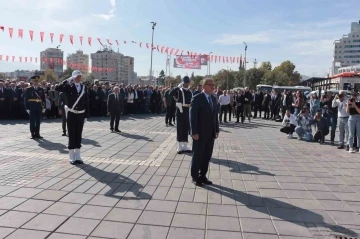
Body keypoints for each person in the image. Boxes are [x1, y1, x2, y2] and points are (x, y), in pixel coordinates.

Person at [55, 70, 89, 165]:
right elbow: (57, 88)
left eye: (80, 76)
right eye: (77, 76)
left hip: (81, 114)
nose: (79, 78)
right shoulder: (68, 87)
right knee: (71, 133)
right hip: (71, 113)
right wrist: (68, 79)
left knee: (79, 134)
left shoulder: (84, 87)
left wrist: (86, 115)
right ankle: (71, 156)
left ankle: (78, 156)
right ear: (73, 78)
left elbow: (87, 101)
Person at [190, 78, 219, 186]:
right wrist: (194, 132)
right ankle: (195, 176)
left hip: (210, 133)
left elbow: (215, 116)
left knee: (207, 156)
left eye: (213, 84)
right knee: (198, 155)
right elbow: (193, 116)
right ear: (204, 86)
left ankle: (202, 176)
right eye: (211, 84)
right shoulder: (197, 98)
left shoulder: (213, 98)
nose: (213, 87)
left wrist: (216, 129)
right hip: (200, 133)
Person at [170, 76, 193, 154]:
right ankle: (179, 146)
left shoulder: (190, 92)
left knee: (186, 128)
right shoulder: (179, 91)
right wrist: (177, 87)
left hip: (187, 111)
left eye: (187, 82)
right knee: (180, 128)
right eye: (185, 82)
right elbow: (171, 94)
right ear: (183, 83)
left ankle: (185, 145)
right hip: (180, 111)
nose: (186, 84)